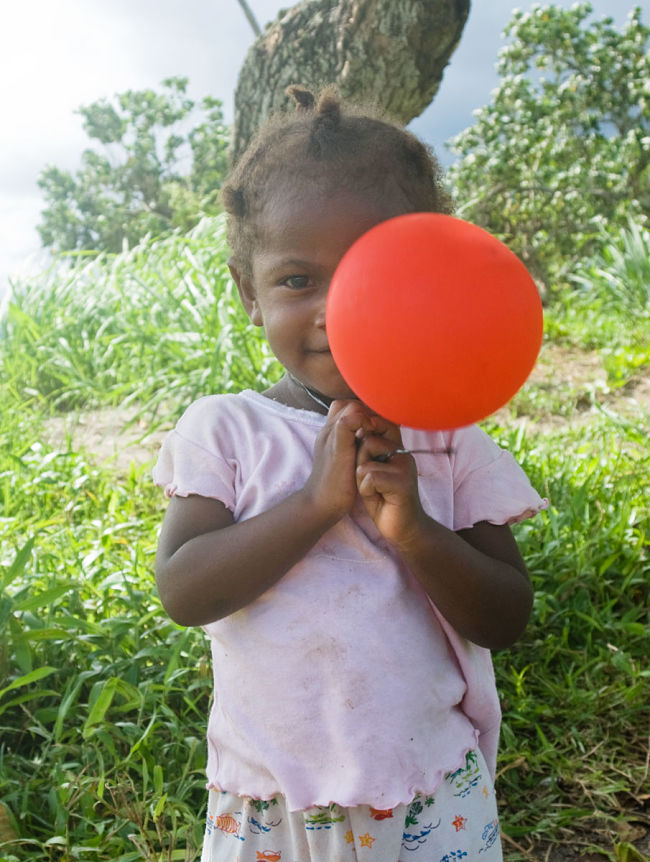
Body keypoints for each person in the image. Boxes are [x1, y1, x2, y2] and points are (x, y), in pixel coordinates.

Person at [153, 85, 547, 862]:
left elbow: (504, 618)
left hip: (428, 792)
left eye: (376, 274)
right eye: (298, 281)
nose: (338, 311)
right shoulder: (226, 430)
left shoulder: (450, 443)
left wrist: (417, 532)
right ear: (249, 294)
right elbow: (185, 590)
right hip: (274, 802)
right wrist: (312, 504)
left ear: (430, 275)